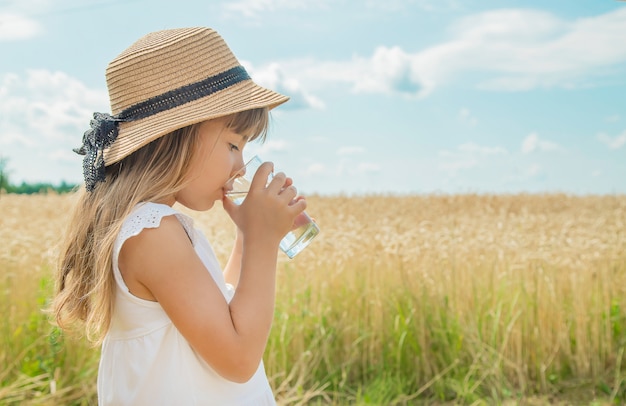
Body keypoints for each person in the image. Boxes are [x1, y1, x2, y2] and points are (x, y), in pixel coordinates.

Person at [49, 27, 305, 405]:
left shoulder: (151, 226)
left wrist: (250, 238)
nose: (240, 166)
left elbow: (222, 310)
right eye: (234, 144)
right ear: (177, 135)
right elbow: (237, 358)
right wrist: (265, 243)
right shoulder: (152, 233)